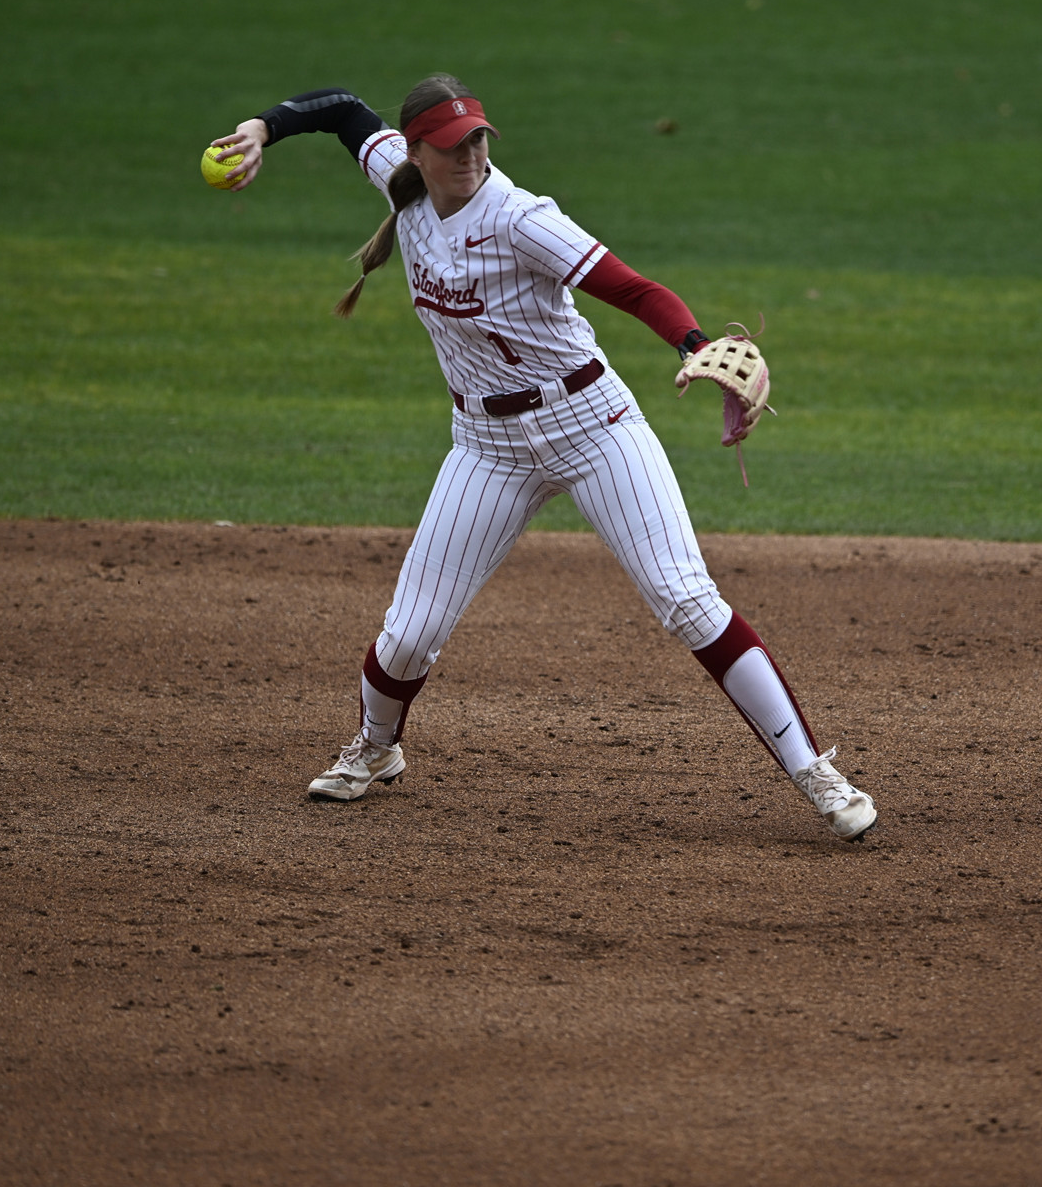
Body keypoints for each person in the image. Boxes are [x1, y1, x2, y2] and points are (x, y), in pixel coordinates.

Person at [209, 75, 878, 840]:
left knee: (687, 599)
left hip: (594, 425)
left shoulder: (522, 219)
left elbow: (632, 288)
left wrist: (694, 345)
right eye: (454, 147)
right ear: (419, 151)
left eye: (480, 141)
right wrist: (261, 129)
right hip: (487, 447)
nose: (471, 157)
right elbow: (336, 108)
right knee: (408, 635)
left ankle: (815, 773)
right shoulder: (402, 181)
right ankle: (375, 749)